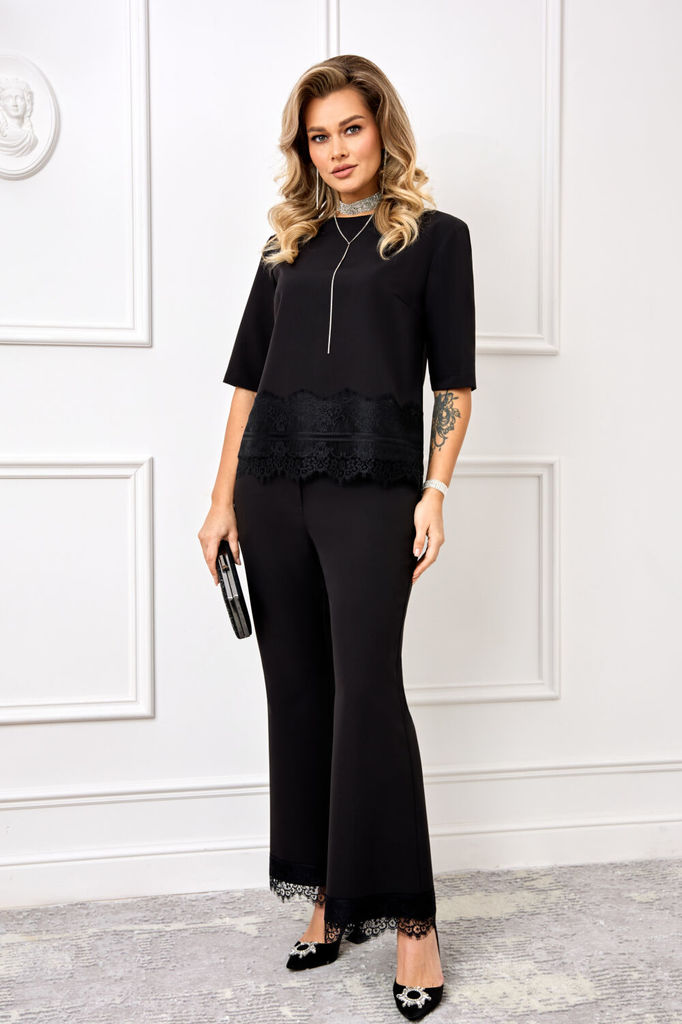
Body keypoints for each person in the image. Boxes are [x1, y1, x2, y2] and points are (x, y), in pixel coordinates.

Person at [198, 54, 476, 1021]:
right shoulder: (286, 247)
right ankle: (326, 895)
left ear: (382, 128)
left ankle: (412, 922)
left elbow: (455, 384)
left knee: (369, 694)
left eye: (350, 128)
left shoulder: (437, 240)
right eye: (319, 136)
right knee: (301, 694)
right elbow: (247, 384)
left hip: (374, 491)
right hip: (272, 487)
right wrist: (222, 501)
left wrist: (434, 491)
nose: (336, 150)